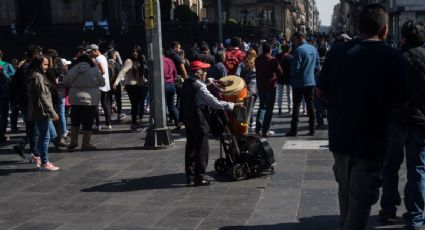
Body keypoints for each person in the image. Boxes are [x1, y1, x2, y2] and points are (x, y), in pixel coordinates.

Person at [316, 4, 408, 229]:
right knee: (361, 198)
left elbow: (320, 91)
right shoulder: (392, 57)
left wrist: (340, 105)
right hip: (371, 138)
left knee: (346, 191)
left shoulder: (337, 51)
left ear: (358, 27)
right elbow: (402, 100)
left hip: (341, 135)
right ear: (385, 30)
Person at [378, 20, 425, 230]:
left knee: (391, 165)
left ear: (403, 37)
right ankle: (415, 217)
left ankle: (388, 208)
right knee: (417, 169)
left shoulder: (394, 59)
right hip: (420, 121)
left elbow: (384, 92)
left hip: (396, 120)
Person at [180, 60, 242, 186]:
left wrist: (212, 82)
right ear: (198, 73)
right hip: (199, 120)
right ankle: (200, 177)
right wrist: (232, 105)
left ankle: (190, 176)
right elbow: (214, 102)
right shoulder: (199, 87)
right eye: (204, 71)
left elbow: (202, 85)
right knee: (202, 149)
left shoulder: (187, 82)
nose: (206, 73)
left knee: (191, 148)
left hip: (189, 119)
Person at [64, 54, 105, 151]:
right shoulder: (94, 70)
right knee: (88, 121)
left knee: (75, 121)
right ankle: (86, 143)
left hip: (75, 98)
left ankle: (73, 141)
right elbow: (102, 82)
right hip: (90, 99)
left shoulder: (73, 70)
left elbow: (66, 82)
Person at [26, 55, 60, 171]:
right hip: (41, 111)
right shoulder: (37, 77)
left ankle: (37, 155)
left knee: (52, 135)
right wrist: (52, 112)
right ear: (38, 64)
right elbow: (43, 97)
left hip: (43, 110)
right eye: (44, 64)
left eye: (47, 64)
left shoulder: (39, 76)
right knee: (45, 136)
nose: (46, 67)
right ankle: (44, 162)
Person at [286, 31, 320, 137]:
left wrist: (292, 77)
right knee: (310, 105)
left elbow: (295, 68)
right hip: (310, 81)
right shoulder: (314, 49)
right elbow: (317, 66)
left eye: (294, 39)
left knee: (296, 106)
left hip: (299, 82)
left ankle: (294, 130)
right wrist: (311, 76)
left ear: (300, 38)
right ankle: (312, 128)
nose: (293, 42)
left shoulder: (299, 50)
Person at [113, 46, 148, 132]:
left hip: (141, 85)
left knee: (140, 105)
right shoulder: (129, 61)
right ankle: (134, 123)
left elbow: (142, 74)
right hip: (132, 87)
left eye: (137, 52)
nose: (135, 53)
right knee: (135, 105)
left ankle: (136, 122)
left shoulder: (141, 61)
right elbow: (122, 71)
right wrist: (116, 82)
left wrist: (145, 80)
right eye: (133, 52)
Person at [255, 42, 283, 137]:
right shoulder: (273, 60)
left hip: (260, 86)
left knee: (262, 107)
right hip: (270, 86)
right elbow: (280, 72)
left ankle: (258, 128)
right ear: (270, 50)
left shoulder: (257, 59)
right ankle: (266, 129)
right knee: (269, 109)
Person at [87, 44, 112, 130]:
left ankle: (98, 124)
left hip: (98, 85)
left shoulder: (97, 59)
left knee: (95, 105)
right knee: (105, 104)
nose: (90, 54)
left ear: (95, 50)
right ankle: (108, 123)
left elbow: (103, 71)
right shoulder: (103, 57)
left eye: (90, 52)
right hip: (105, 85)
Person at [236, 48, 257, 131]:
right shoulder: (256, 64)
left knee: (245, 107)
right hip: (254, 89)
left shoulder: (241, 64)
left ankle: (245, 123)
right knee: (250, 107)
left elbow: (237, 74)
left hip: (244, 88)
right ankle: (249, 123)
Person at [0, 50, 15, 143]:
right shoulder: (7, 65)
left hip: (4, 93)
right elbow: (13, 75)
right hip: (4, 94)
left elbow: (13, 75)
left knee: (3, 115)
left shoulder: (6, 65)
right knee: (3, 115)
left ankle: (1, 134)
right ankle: (2, 135)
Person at [162, 55, 180, 128]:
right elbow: (175, 73)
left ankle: (163, 123)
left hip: (162, 85)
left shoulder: (158, 61)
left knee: (162, 106)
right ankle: (177, 122)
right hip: (171, 84)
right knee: (171, 105)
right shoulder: (170, 60)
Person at [277, 43, 293, 114]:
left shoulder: (277, 56)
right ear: (288, 49)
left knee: (280, 93)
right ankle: (290, 108)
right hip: (289, 77)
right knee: (289, 93)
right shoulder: (291, 57)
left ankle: (279, 108)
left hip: (280, 77)